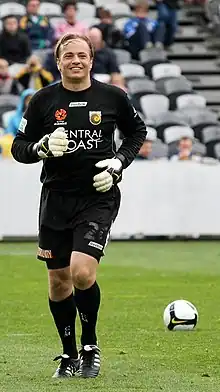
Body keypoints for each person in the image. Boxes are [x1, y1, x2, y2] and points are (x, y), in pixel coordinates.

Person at [11, 32, 146, 380]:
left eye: (82, 55)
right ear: (58, 62)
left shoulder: (113, 97)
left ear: (91, 59)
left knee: (82, 272)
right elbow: (19, 147)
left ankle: (90, 345)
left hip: (97, 197)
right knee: (58, 282)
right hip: (55, 199)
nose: (76, 60)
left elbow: (137, 132)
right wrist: (40, 147)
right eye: (68, 55)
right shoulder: (42, 101)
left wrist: (118, 162)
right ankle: (69, 355)